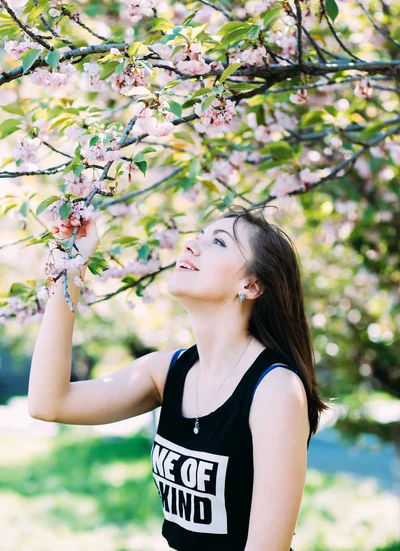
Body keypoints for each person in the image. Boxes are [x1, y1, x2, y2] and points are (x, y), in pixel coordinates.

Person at [28, 203, 330, 550]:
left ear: (251, 285)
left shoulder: (275, 390)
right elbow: (48, 403)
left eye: (218, 242)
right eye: (198, 236)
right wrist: (72, 267)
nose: (190, 245)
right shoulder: (166, 372)